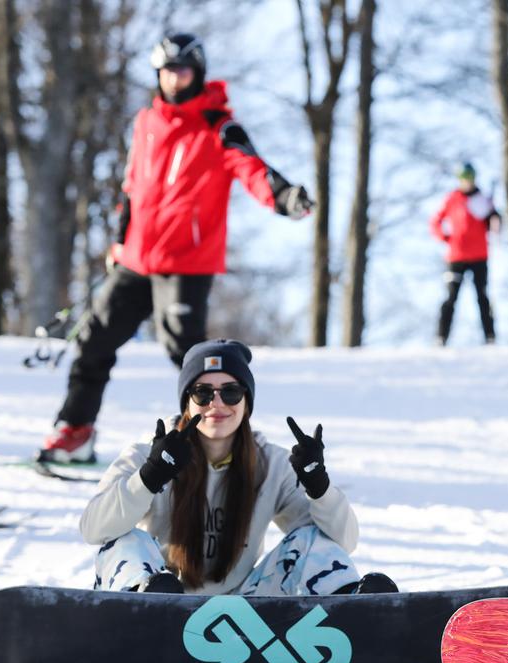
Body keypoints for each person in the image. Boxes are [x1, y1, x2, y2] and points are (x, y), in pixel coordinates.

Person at [39, 33, 314, 464]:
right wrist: (120, 239)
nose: (174, 78)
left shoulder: (218, 126)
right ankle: (75, 432)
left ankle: (223, 447)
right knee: (93, 340)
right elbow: (132, 186)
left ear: (197, 74)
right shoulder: (147, 122)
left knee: (192, 360)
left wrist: (284, 197)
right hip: (136, 259)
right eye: (167, 70)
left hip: (187, 261)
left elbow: (251, 167)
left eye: (182, 70)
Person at [82, 339, 396, 595]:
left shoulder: (272, 465)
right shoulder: (146, 456)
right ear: (187, 402)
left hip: (245, 611)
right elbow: (94, 529)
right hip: (162, 602)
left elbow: (339, 543)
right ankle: (141, 608)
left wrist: (319, 487)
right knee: (125, 539)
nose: (217, 404)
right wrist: (150, 477)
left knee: (310, 538)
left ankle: (351, 610)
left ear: (246, 403)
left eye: (230, 392)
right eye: (203, 393)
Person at [430, 162, 500, 345]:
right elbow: (435, 221)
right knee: (450, 297)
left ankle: (490, 337)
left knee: (482, 296)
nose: (467, 181)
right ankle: (441, 337)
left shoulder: (482, 200)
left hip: (479, 256)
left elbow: (494, 222)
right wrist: (445, 237)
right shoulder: (452, 199)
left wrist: (495, 221)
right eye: (463, 178)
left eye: (470, 177)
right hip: (456, 257)